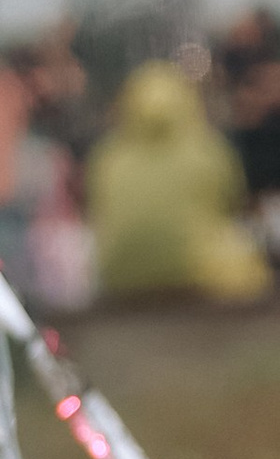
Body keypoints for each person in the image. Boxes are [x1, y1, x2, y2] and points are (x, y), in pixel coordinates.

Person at [86, 60, 269, 304]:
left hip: (120, 275)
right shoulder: (208, 150)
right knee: (251, 262)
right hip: (198, 271)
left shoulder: (106, 158)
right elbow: (231, 206)